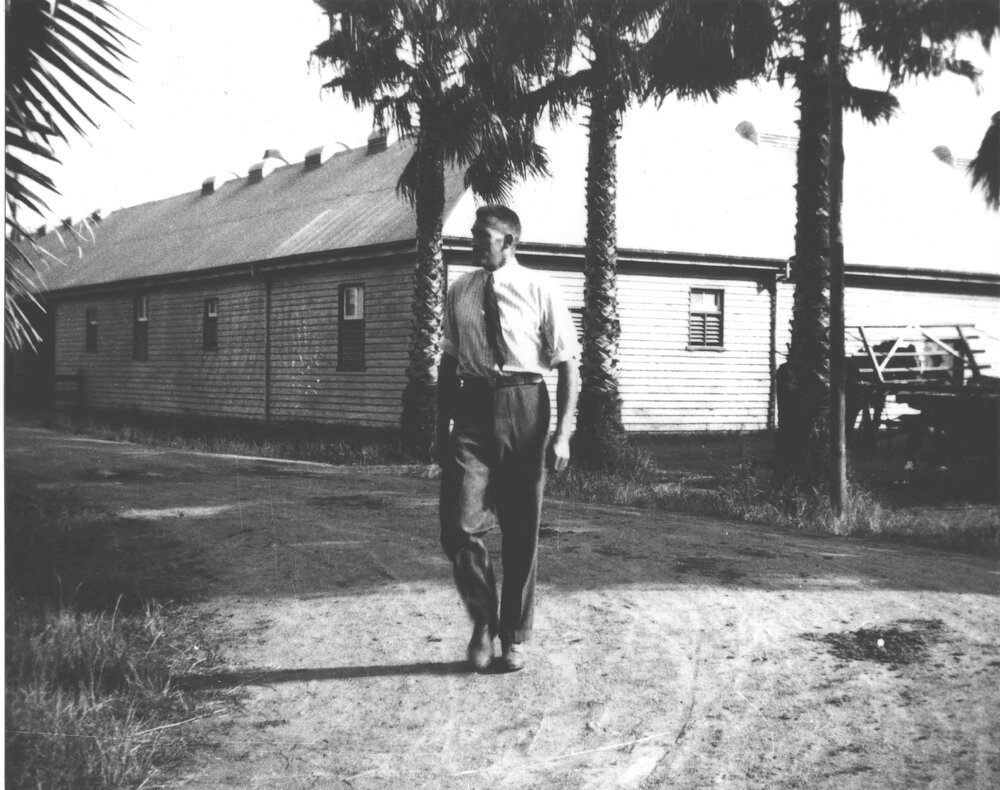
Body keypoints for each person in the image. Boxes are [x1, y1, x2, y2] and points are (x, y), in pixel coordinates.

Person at [437, 204, 580, 673]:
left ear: (509, 242)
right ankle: (483, 619)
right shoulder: (459, 290)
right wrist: (442, 428)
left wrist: (562, 434)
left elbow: (567, 365)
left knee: (521, 528)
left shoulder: (541, 288)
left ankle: (513, 636)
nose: (476, 241)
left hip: (525, 406)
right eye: (475, 234)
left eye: (485, 235)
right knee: (460, 524)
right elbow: (448, 363)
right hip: (474, 409)